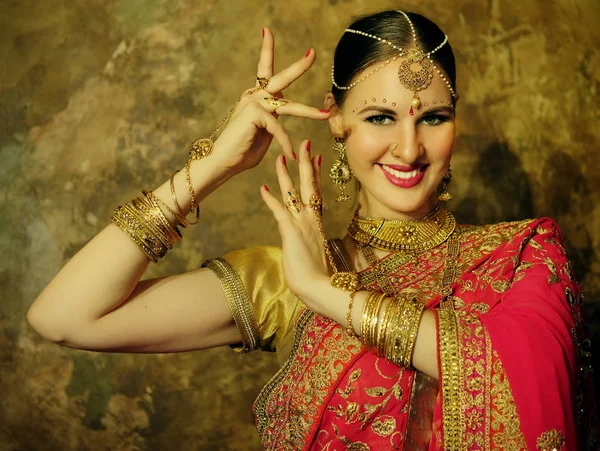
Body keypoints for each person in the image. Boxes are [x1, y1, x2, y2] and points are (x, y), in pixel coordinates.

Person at [27, 9, 595, 451]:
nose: (409, 147)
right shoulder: (282, 281)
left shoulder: (522, 255)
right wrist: (212, 166)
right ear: (337, 119)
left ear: (456, 124)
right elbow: (63, 317)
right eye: (380, 117)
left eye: (433, 118)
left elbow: (525, 381)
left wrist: (327, 293)